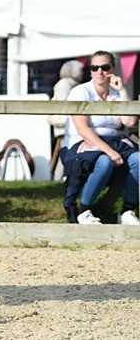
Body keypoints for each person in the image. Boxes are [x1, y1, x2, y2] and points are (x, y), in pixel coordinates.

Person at [60, 51, 139, 225]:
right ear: (90, 70)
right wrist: (110, 152)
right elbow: (83, 129)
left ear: (113, 69)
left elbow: (130, 121)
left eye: (104, 67)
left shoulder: (116, 93)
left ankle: (127, 210)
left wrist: (123, 90)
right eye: (95, 67)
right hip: (83, 143)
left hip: (114, 142)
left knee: (137, 159)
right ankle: (84, 211)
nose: (100, 72)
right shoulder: (81, 92)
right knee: (104, 161)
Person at [48, 60, 85, 168]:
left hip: (73, 122)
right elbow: (65, 106)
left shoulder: (74, 85)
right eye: (80, 70)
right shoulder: (64, 85)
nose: (83, 73)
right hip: (65, 124)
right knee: (67, 148)